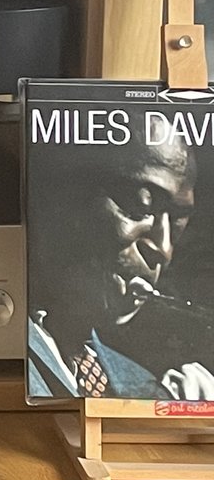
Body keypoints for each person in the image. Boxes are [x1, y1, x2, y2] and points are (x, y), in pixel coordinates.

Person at [27, 131, 214, 399]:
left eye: (176, 224)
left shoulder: (144, 385)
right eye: (140, 206)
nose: (163, 250)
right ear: (61, 198)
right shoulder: (3, 357)